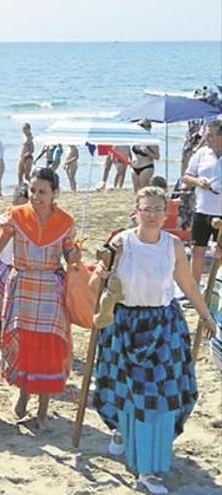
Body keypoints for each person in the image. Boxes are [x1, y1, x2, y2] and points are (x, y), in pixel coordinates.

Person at [90, 186, 213, 495]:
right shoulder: (121, 243)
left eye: (160, 209)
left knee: (157, 398)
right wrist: (102, 273)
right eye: (148, 209)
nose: (155, 215)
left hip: (164, 326)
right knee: (123, 388)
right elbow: (95, 284)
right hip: (126, 325)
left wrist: (206, 315)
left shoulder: (172, 245)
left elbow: (187, 283)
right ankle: (120, 429)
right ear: (136, 211)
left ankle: (147, 471)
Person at [0, 167, 80, 429]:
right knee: (24, 342)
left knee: (49, 346)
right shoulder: (15, 216)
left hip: (50, 287)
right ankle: (23, 392)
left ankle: (43, 409)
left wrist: (76, 258)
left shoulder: (65, 222)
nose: (35, 196)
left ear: (55, 193)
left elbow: (69, 254)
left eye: (42, 192)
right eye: (32, 190)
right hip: (22, 284)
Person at [179, 118, 222, 285]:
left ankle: (217, 289)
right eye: (206, 135)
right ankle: (193, 289)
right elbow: (186, 176)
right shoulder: (202, 153)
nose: (207, 138)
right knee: (197, 251)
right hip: (203, 210)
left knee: (220, 253)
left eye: (210, 135)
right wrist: (198, 182)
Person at [0, 184, 30, 334]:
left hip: (23, 270)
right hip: (3, 267)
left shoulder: (33, 224)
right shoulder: (2, 220)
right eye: (19, 205)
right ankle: (0, 328)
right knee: (0, 304)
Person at [131, 120, 161, 193]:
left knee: (144, 189)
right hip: (135, 166)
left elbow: (157, 157)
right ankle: (137, 204)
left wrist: (148, 152)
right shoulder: (136, 139)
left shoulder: (151, 140)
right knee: (135, 189)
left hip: (146, 167)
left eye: (141, 126)